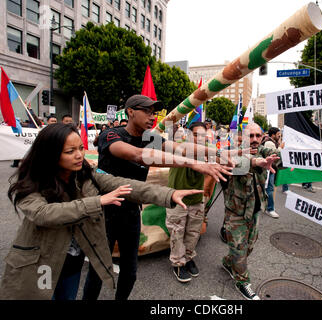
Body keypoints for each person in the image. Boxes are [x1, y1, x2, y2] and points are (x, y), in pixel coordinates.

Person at [0, 123, 199, 300]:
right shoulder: (31, 182)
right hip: (41, 264)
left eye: (80, 148)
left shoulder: (84, 173)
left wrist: (168, 194)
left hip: (72, 264)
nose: (79, 155)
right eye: (70, 151)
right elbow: (43, 213)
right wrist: (98, 201)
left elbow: (123, 184)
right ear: (51, 154)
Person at [83, 94, 233, 300]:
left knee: (130, 271)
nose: (152, 116)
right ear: (130, 112)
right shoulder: (111, 135)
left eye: (154, 112)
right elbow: (138, 155)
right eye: (147, 111)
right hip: (104, 212)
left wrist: (218, 154)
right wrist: (191, 163)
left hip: (131, 212)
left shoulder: (150, 138)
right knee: (98, 270)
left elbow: (182, 148)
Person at [221, 123, 280, 300]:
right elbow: (238, 165)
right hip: (236, 212)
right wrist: (256, 162)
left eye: (257, 135)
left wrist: (282, 158)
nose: (254, 139)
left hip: (255, 209)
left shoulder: (264, 150)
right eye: (250, 136)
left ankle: (228, 262)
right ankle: (242, 282)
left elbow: (278, 157)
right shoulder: (233, 152)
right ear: (244, 137)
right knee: (239, 249)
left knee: (249, 246)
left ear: (262, 137)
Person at [166, 122, 208, 283]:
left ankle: (188, 258)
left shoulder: (206, 153)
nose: (200, 139)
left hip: (197, 200)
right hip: (177, 199)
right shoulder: (179, 148)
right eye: (196, 135)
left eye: (203, 136)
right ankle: (177, 263)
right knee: (177, 232)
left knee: (193, 232)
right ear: (189, 135)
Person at [261, 127, 284, 219]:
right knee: (269, 189)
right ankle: (270, 209)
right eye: (278, 134)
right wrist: (280, 148)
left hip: (271, 168)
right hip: (269, 169)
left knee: (268, 188)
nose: (279, 136)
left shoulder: (272, 142)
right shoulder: (269, 143)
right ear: (273, 135)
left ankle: (266, 206)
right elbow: (273, 155)